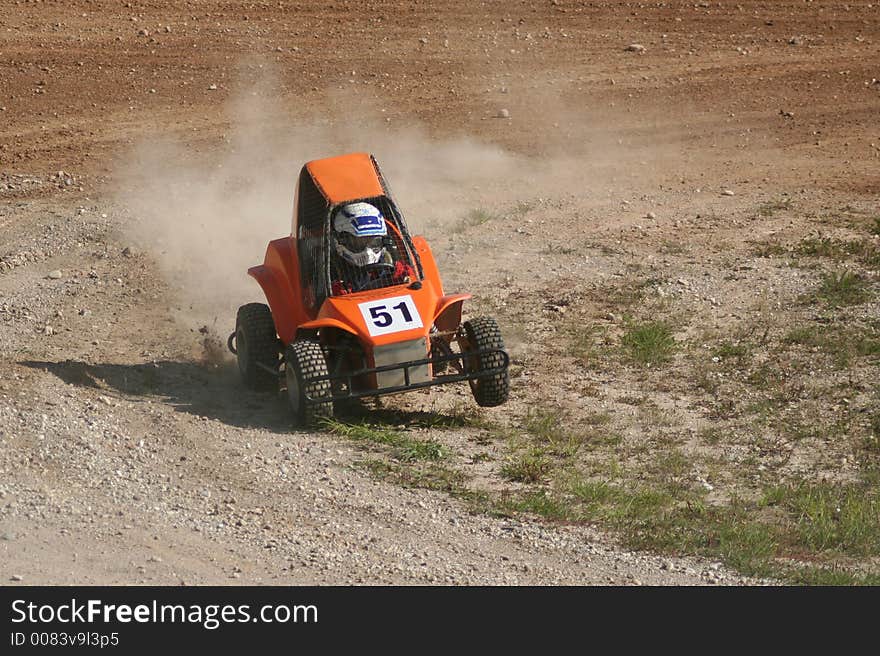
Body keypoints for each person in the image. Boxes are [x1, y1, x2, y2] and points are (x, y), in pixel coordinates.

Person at [330, 202, 415, 295]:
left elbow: (412, 281)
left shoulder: (391, 266)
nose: (367, 252)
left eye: (374, 243)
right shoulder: (330, 273)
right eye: (359, 243)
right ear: (341, 240)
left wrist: (407, 280)